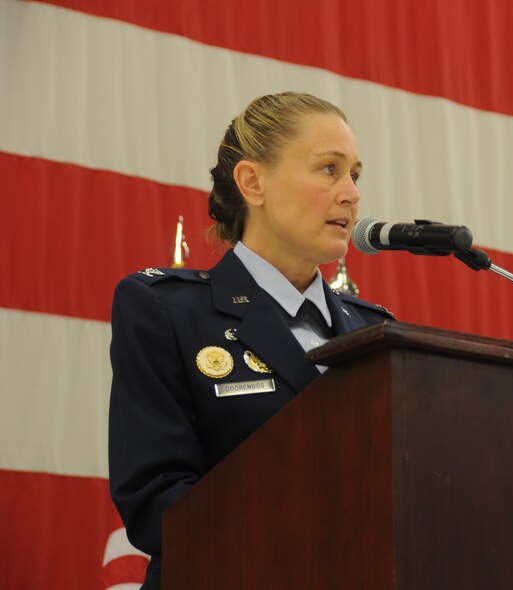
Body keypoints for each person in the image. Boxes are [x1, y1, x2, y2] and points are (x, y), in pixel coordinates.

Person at [108, 92, 392, 589]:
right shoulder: (167, 311)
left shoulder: (377, 332)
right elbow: (157, 501)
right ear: (252, 182)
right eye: (329, 169)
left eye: (356, 175)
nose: (351, 194)